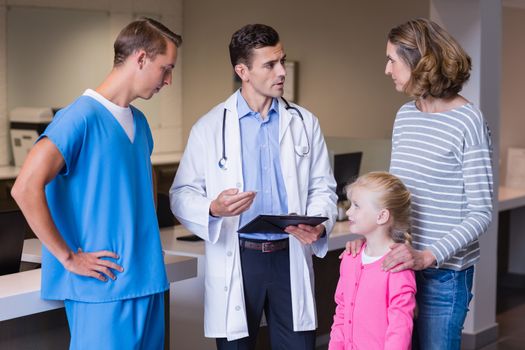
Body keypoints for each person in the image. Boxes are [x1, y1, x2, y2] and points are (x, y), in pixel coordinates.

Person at [11, 18, 182, 349]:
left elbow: (143, 190)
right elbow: (25, 188)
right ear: (141, 58)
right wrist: (70, 257)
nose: (169, 80)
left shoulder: (140, 121)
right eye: (166, 68)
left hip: (148, 280)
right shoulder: (79, 118)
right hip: (103, 289)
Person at [170, 23, 337, 349]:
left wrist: (319, 224)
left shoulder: (303, 122)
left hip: (289, 254)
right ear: (242, 71)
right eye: (270, 65)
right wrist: (212, 208)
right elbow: (181, 194)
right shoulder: (209, 127)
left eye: (282, 61)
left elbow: (322, 187)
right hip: (239, 257)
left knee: (299, 345)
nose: (281, 72)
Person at [344, 18, 493, 350]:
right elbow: (397, 198)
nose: (387, 69)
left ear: (419, 61)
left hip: (444, 275)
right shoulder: (405, 116)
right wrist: (371, 241)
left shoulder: (468, 120)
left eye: (392, 60)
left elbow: (481, 212)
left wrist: (428, 256)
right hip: (398, 265)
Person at [329, 172, 416, 350]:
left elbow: (400, 329)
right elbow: (342, 311)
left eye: (356, 206)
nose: (348, 211)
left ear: (381, 216)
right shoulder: (349, 258)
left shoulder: (398, 267)